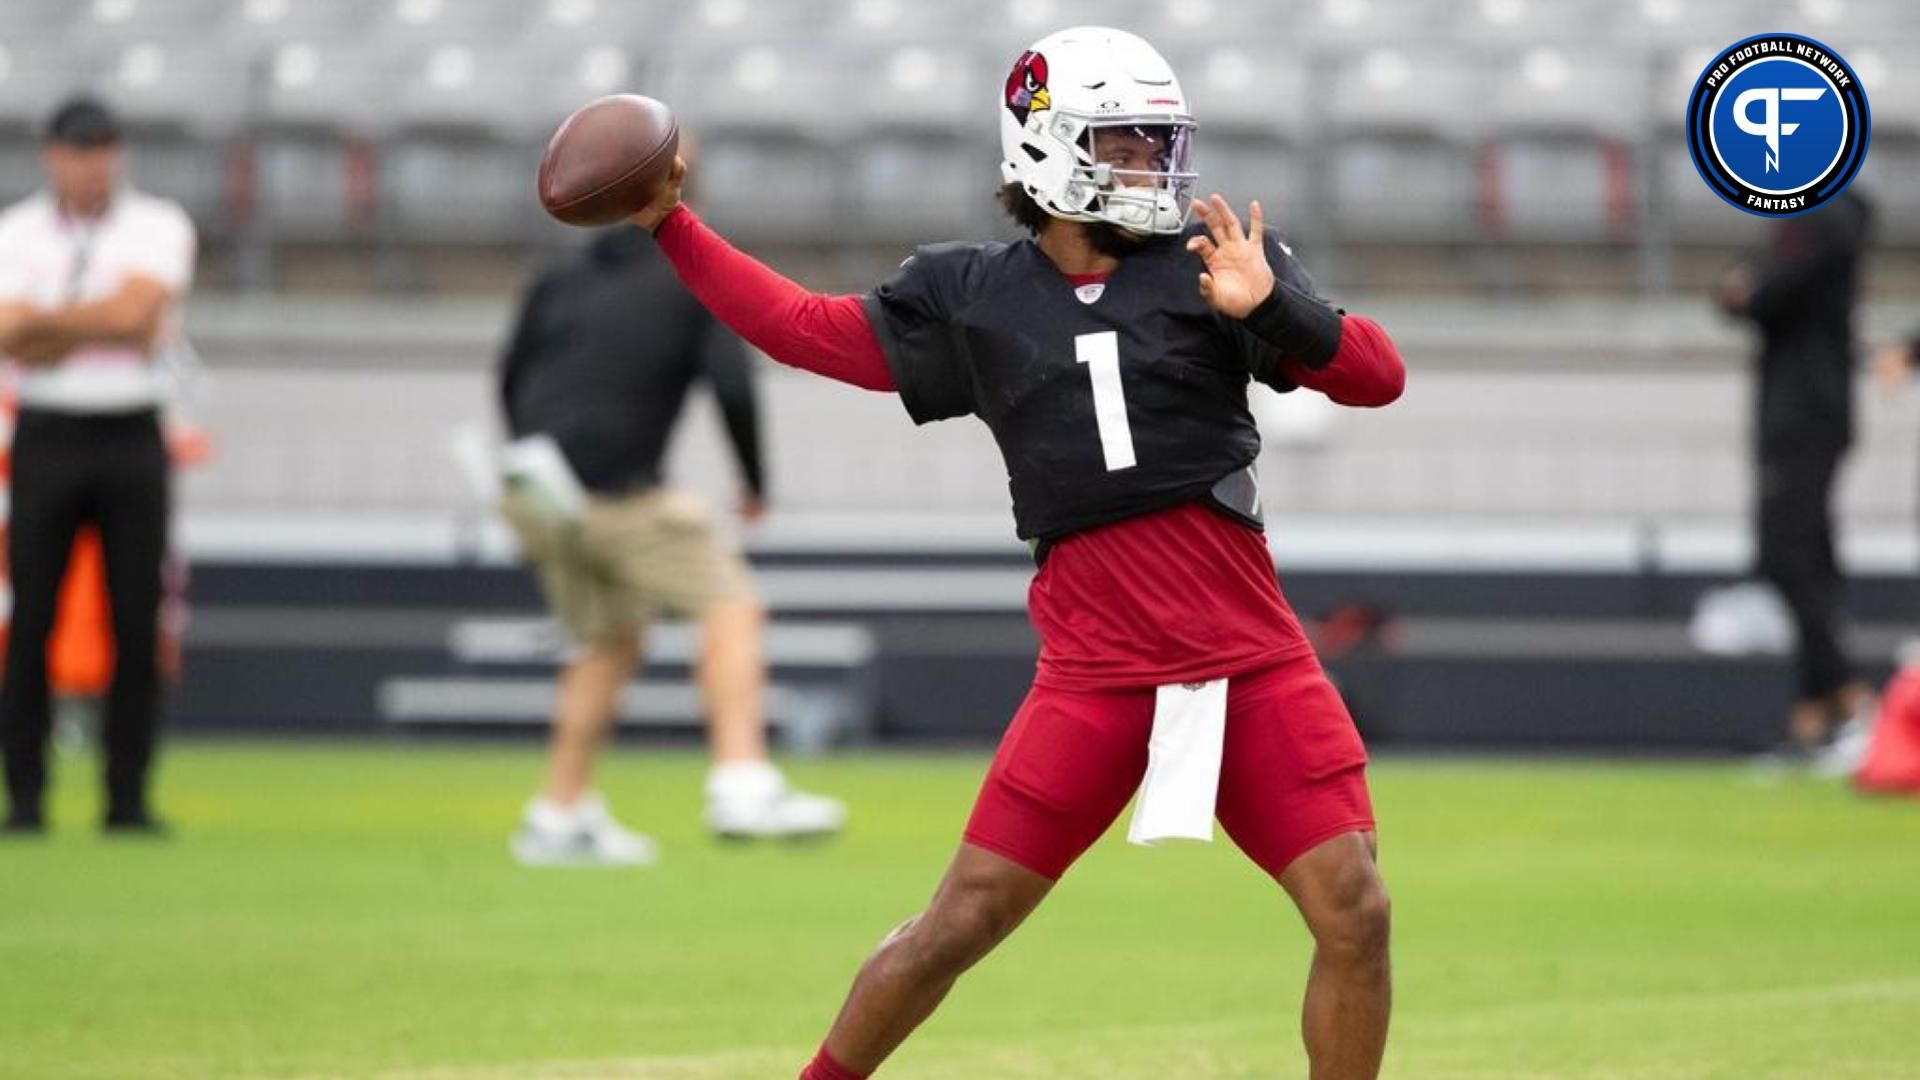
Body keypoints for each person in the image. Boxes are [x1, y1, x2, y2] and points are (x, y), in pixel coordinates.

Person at [630, 28, 1405, 1078]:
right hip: (1097, 677)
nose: (1151, 168)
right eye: (1124, 145)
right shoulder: (972, 292)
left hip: (1248, 663)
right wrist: (671, 224)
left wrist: (1278, 307)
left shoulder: (1213, 267)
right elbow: (805, 328)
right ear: (1049, 152)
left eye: (1154, 145)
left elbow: (1377, 377)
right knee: (959, 922)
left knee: (1354, 907)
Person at [498, 221, 845, 867]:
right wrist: (755, 483)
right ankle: (741, 782)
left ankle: (559, 814)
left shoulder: (558, 276)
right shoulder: (691, 277)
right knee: (731, 608)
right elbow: (733, 384)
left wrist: (540, 466)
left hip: (536, 490)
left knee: (607, 641)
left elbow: (511, 374)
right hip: (617, 492)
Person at [0, 96, 195, 834]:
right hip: (47, 431)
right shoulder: (15, 231)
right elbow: (9, 335)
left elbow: (136, 318)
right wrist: (97, 318)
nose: (91, 165)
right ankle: (24, 796)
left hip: (131, 434)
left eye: (103, 149)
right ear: (52, 154)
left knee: (135, 620)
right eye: (78, 150)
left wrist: (48, 324)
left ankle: (127, 797)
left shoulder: (158, 224)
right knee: (31, 620)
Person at [1717, 190, 1876, 763]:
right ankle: (1813, 718)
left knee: (1789, 556)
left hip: (1803, 413)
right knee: (1808, 560)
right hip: (1807, 409)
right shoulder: (1824, 214)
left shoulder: (1823, 215)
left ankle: (1851, 701)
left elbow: (1764, 292)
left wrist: (1748, 290)